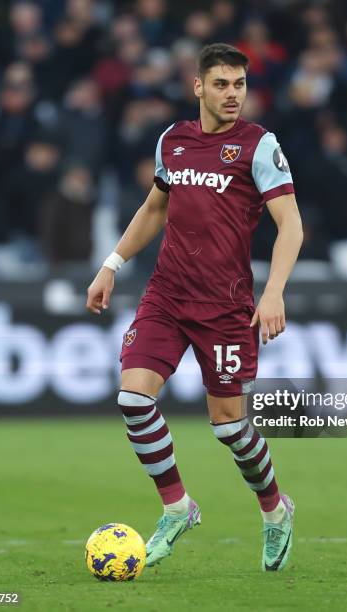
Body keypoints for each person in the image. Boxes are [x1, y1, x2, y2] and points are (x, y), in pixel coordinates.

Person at [86, 43, 303, 571]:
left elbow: (290, 224)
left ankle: (275, 511)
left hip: (225, 306)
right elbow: (155, 207)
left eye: (241, 85)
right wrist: (111, 263)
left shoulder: (258, 145)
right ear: (199, 87)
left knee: (229, 426)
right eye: (223, 84)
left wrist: (273, 291)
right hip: (166, 293)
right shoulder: (173, 141)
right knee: (134, 400)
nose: (233, 95)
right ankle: (177, 506)